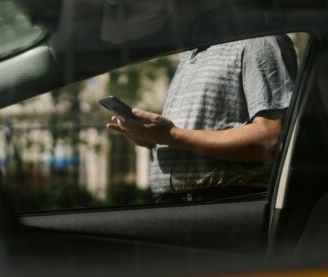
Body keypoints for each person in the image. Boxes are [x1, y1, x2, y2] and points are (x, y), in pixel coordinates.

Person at [107, 35, 297, 199]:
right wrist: (150, 137)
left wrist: (172, 136)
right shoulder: (190, 54)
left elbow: (271, 140)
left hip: (226, 203)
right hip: (179, 206)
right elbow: (185, 137)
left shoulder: (258, 40)